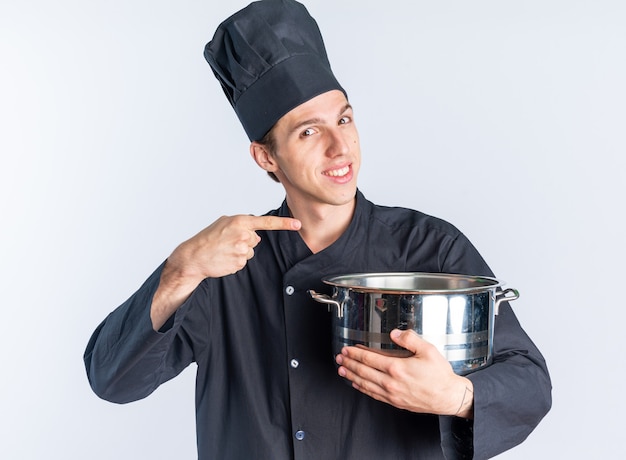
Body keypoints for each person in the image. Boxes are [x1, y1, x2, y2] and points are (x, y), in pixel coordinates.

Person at [84, 1, 552, 458]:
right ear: (266, 157)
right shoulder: (226, 267)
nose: (339, 146)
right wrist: (180, 271)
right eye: (308, 131)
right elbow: (113, 380)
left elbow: (530, 383)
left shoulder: (430, 248)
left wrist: (456, 397)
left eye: (344, 119)